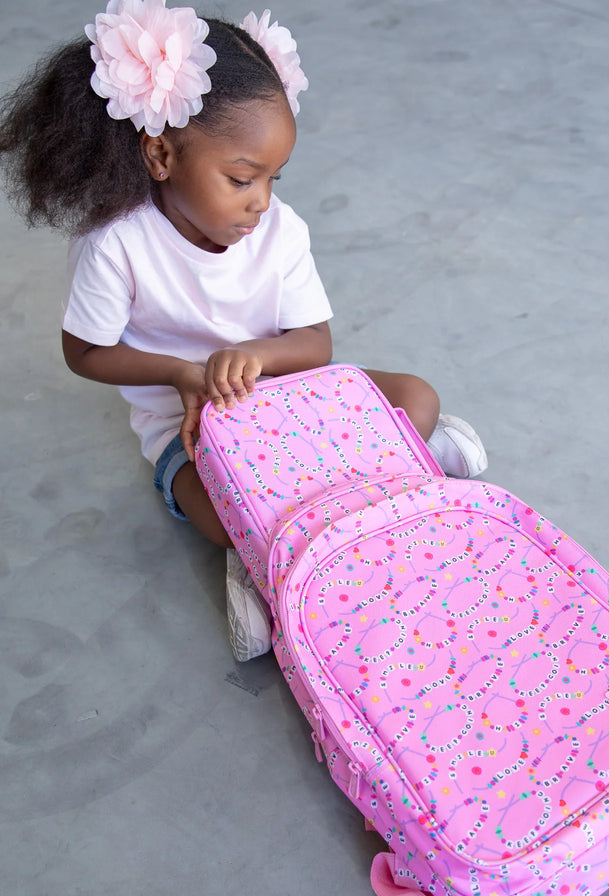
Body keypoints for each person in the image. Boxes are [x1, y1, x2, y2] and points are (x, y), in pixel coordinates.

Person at [0, 1, 488, 661]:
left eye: (271, 178)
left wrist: (254, 355)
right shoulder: (114, 244)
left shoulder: (279, 229)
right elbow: (84, 351)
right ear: (161, 152)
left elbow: (316, 343)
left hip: (295, 396)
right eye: (240, 178)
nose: (260, 200)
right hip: (189, 424)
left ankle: (373, 486)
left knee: (418, 396)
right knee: (221, 511)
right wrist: (182, 374)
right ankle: (284, 548)